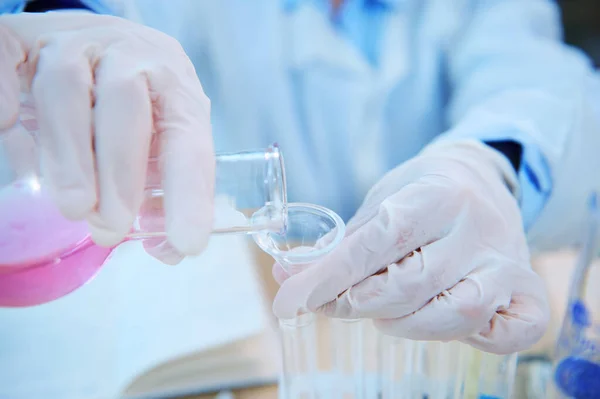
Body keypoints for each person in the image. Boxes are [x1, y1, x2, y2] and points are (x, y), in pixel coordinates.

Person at [0, 0, 598, 355]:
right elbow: (81, 19)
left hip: (432, 340)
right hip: (221, 331)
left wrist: (488, 164)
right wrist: (60, 26)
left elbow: (539, 84)